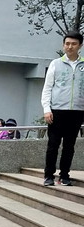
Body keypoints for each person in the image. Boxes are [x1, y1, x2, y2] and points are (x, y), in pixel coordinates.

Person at [41, 30, 84, 187]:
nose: (69, 47)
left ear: (80, 45)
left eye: (73, 44)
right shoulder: (55, 64)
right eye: (67, 43)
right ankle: (48, 176)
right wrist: (47, 109)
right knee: (53, 145)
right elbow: (47, 88)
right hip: (57, 111)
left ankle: (65, 175)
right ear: (63, 45)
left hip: (77, 112)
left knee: (69, 146)